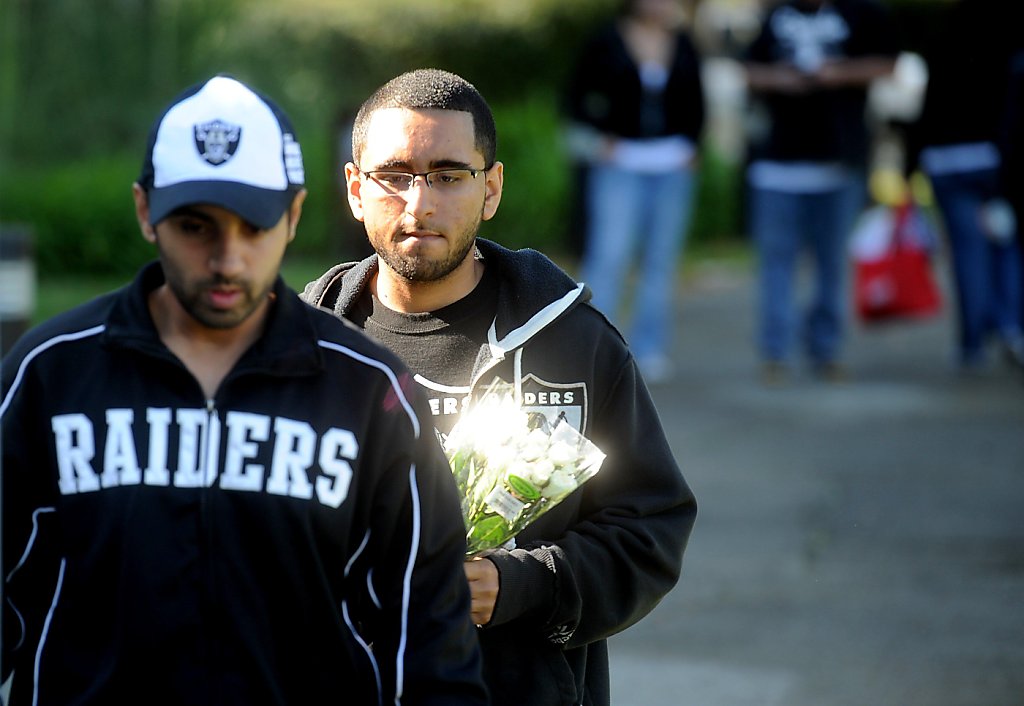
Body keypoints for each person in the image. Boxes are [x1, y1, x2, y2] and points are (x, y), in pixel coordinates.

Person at [0, 75, 486, 705]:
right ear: (146, 211)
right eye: (196, 227)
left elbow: (429, 644)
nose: (226, 259)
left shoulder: (370, 395)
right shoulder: (50, 375)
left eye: (253, 226)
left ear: (293, 215)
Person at [302, 68, 697, 706]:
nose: (419, 203)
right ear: (354, 188)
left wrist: (517, 585)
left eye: (449, 175)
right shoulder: (299, 353)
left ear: (492, 188)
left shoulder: (573, 345)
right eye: (394, 176)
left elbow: (650, 529)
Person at [743, 0, 899, 383]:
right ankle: (775, 353)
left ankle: (826, 349)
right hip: (777, 166)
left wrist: (838, 73)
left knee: (832, 264)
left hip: (837, 164)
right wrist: (780, 79)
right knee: (777, 264)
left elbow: (889, 63)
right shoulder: (774, 15)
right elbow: (746, 69)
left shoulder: (863, 13)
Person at [565, 0, 705, 384]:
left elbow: (697, 98)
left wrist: (694, 144)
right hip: (621, 163)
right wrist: (600, 137)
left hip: (673, 165)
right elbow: (576, 95)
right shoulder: (606, 39)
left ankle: (649, 347)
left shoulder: (684, 41)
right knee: (608, 256)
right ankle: (593, 347)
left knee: (660, 261)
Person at [910, 0, 1024, 373]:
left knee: (968, 252)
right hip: (992, 158)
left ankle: (973, 342)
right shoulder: (1006, 37)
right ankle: (1009, 326)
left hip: (945, 159)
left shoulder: (940, 35)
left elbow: (925, 105)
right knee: (1006, 246)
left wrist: (911, 163)